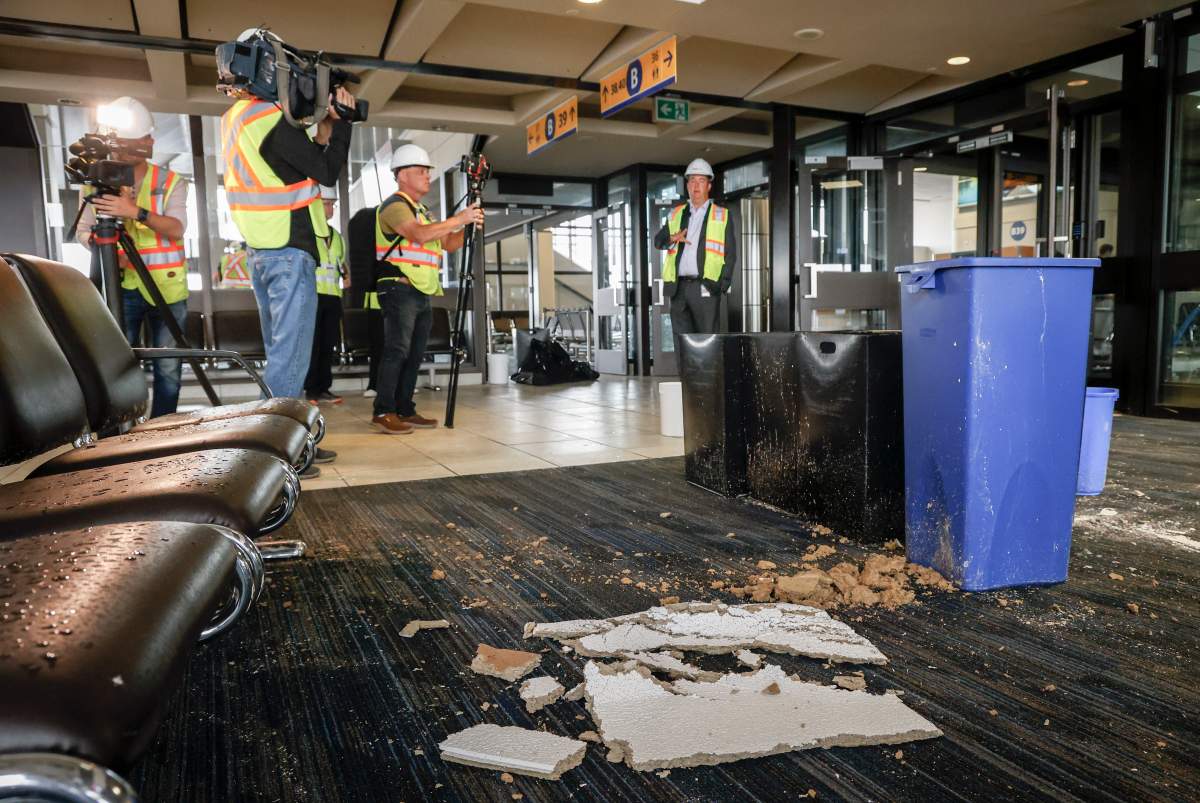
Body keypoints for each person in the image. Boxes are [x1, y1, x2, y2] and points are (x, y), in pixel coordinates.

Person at [219, 31, 351, 470]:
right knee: (289, 359)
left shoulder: (240, 117)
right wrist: (344, 123)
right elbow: (327, 172)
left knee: (283, 355)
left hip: (267, 249)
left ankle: (284, 442)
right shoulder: (265, 119)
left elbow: (296, 169)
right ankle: (275, 455)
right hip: (288, 251)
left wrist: (324, 128)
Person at [76, 96, 189, 418]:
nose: (124, 150)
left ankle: (163, 426)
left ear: (148, 142)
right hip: (120, 285)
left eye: (133, 143)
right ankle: (124, 426)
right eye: (120, 143)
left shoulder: (170, 181)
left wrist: (134, 211)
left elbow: (177, 228)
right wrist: (104, 249)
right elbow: (83, 231)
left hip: (167, 289)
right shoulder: (94, 185)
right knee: (120, 362)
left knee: (167, 365)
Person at [371, 144, 484, 434]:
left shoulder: (424, 211)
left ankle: (405, 409)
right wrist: (460, 218)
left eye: (427, 171)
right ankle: (384, 410)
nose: (426, 176)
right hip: (398, 287)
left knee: (414, 353)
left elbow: (447, 244)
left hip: (420, 290)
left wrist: (469, 227)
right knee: (397, 350)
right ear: (401, 175)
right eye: (420, 171)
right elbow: (419, 236)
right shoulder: (395, 206)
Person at [652, 158, 738, 348]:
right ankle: (687, 379)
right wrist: (673, 237)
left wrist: (718, 286)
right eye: (691, 180)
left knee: (707, 343)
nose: (695, 185)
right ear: (687, 185)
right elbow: (658, 241)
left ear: (709, 185)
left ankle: (707, 379)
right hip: (679, 289)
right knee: (682, 344)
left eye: (700, 181)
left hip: (705, 287)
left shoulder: (721, 215)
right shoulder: (677, 214)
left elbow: (730, 255)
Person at [304, 186, 347, 405]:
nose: (330, 208)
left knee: (328, 344)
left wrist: (346, 274)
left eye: (332, 204)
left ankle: (323, 388)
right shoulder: (308, 232)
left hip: (332, 297)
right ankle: (311, 390)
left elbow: (339, 263)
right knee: (313, 344)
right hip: (312, 296)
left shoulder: (337, 236)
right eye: (327, 204)